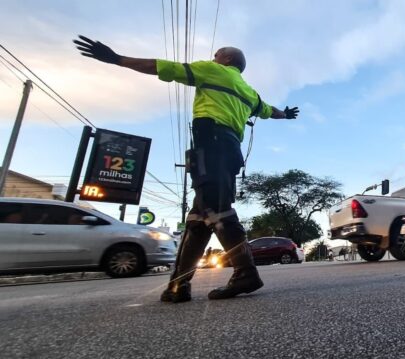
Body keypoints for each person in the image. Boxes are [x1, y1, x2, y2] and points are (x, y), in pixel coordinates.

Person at [73, 35, 299, 302]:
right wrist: (285, 114)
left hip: (211, 144)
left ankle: (246, 272)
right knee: (197, 220)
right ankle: (179, 286)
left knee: (217, 211)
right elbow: (267, 110)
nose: (213, 57)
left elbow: (163, 67)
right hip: (229, 151)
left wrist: (117, 59)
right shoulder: (249, 92)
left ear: (225, 59)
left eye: (216, 54)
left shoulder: (213, 70)